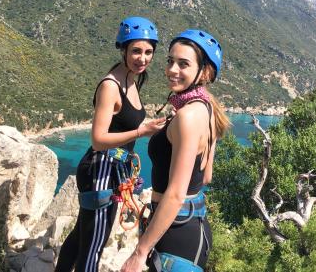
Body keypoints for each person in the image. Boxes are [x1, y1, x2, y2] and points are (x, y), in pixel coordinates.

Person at [56, 16, 165, 272]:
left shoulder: (132, 79)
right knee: (94, 246)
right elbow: (98, 139)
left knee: (81, 237)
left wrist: (150, 129)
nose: (143, 58)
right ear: (123, 49)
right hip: (100, 171)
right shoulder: (110, 86)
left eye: (149, 52)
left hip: (113, 170)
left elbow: (124, 124)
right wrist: (141, 131)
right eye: (136, 51)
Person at [121, 29, 231, 272]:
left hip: (175, 235)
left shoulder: (188, 116)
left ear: (204, 72)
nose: (172, 70)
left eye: (183, 64)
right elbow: (206, 176)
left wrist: (139, 253)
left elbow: (176, 194)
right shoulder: (207, 109)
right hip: (191, 229)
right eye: (170, 61)